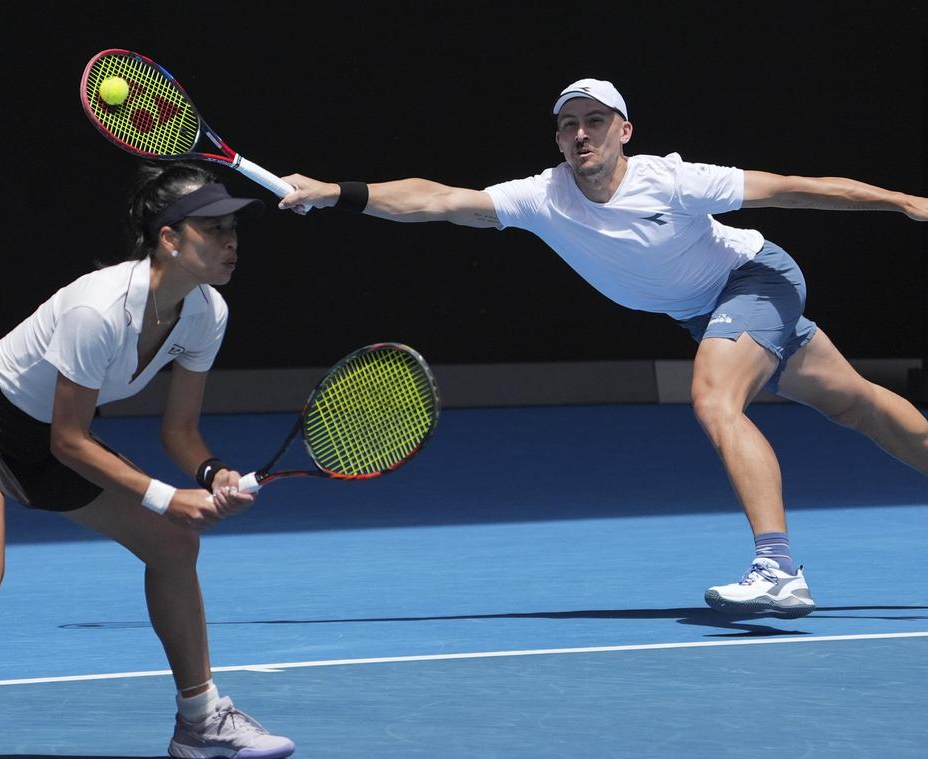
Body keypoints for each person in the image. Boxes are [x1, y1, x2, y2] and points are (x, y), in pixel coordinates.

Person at [277, 78, 928, 618]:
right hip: (704, 313)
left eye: (594, 120)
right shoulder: (543, 197)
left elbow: (793, 188)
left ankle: (777, 568)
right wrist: (336, 193)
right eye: (567, 125)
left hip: (755, 280)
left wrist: (901, 202)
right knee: (856, 405)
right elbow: (440, 200)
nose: (580, 133)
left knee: (714, 399)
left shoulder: (671, 181)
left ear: (625, 130)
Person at [0, 162, 295, 759]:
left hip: (52, 437)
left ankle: (201, 722)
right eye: (214, 230)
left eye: (234, 229)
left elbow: (180, 432)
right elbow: (70, 442)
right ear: (170, 239)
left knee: (174, 544)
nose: (231, 243)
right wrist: (166, 497)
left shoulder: (207, 313)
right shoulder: (98, 308)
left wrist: (212, 474)